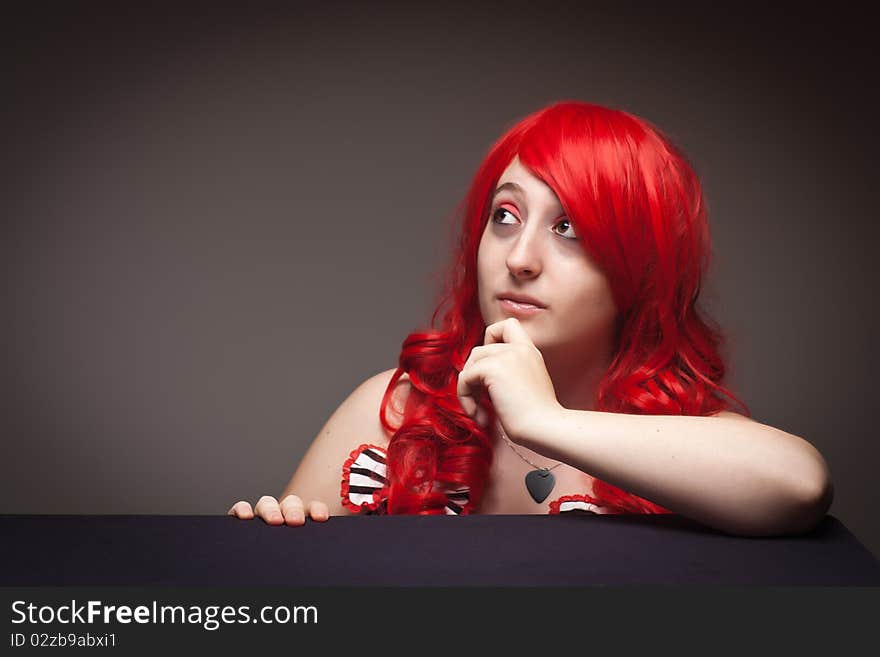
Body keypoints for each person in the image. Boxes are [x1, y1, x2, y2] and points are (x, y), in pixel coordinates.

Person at [228, 101, 833, 535]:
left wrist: (544, 421)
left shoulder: (684, 436)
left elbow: (802, 485)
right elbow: (288, 609)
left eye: (569, 228)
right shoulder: (392, 410)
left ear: (641, 268)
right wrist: (279, 533)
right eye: (506, 217)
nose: (519, 260)